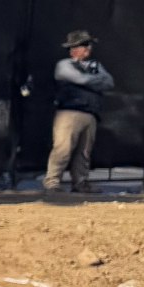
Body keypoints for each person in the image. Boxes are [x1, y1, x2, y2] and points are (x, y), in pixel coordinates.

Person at [46, 28, 115, 193]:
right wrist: (96, 80)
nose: (88, 48)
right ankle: (52, 182)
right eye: (84, 45)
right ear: (73, 49)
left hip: (90, 113)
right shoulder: (64, 65)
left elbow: (109, 82)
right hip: (69, 113)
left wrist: (93, 80)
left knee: (84, 152)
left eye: (88, 45)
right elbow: (80, 79)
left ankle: (81, 182)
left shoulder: (95, 65)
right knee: (63, 148)